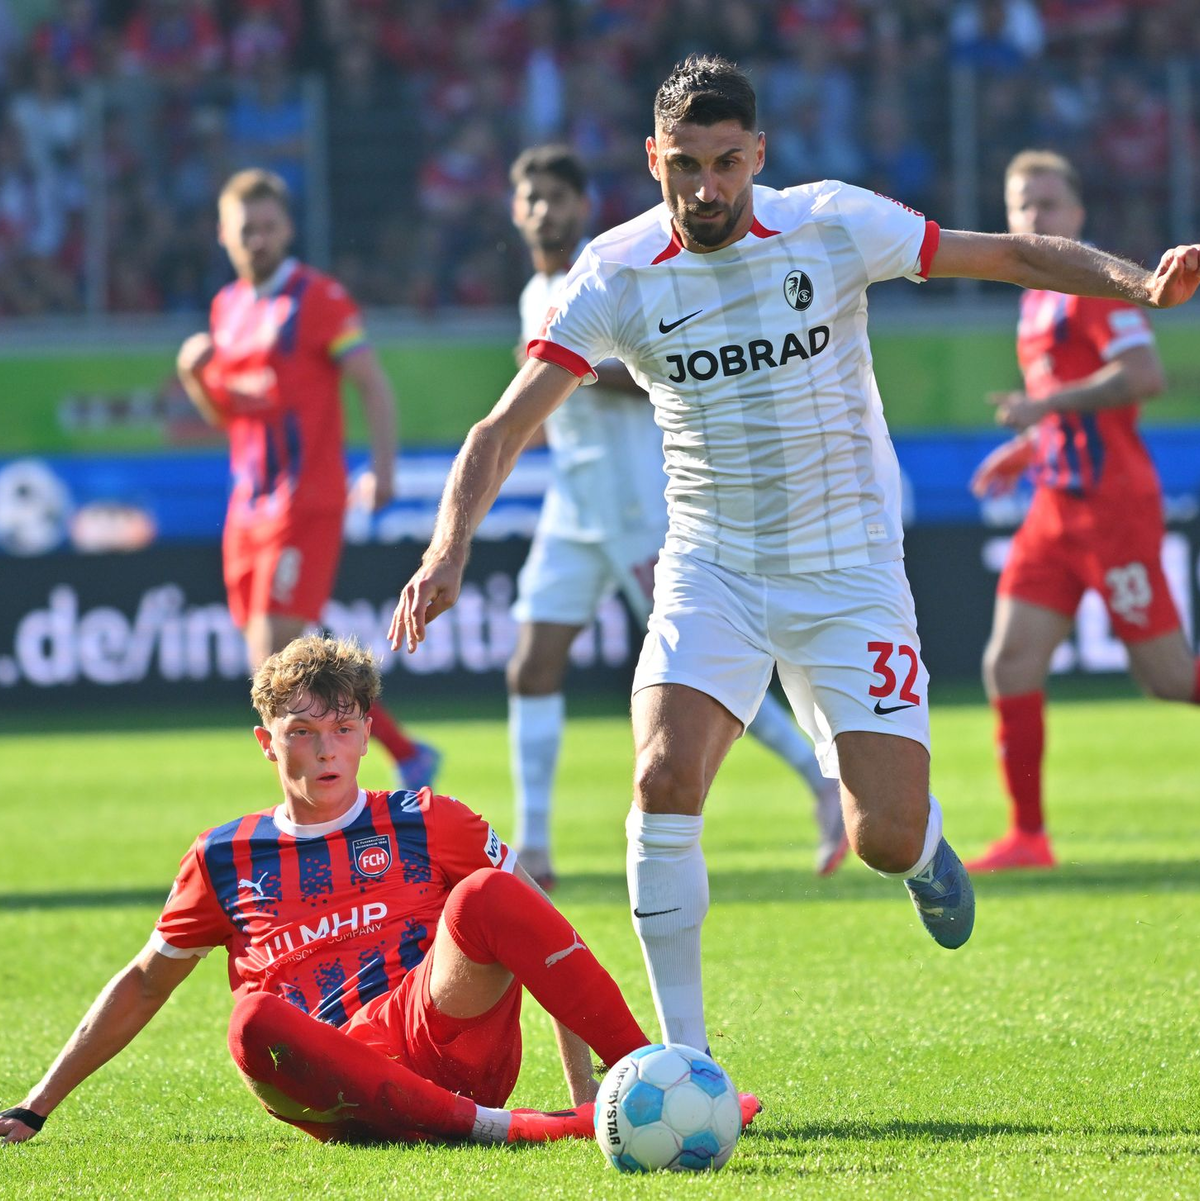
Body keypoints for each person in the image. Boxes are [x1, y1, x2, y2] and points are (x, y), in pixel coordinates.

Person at [389, 55, 1200, 1051]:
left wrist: (1139, 286)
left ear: (758, 154)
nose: (707, 187)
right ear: (653, 158)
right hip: (711, 566)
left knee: (883, 836)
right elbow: (500, 430)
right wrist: (446, 549)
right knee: (659, 779)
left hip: (849, 566)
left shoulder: (830, 222)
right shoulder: (617, 269)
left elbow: (1013, 257)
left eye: (727, 162)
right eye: (686, 164)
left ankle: (925, 842)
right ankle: (685, 1060)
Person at [0, 635, 665, 1147]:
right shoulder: (222, 855)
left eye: (343, 730)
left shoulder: (426, 817)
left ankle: (654, 1081)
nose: (327, 751)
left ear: (368, 734)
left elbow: (539, 933)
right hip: (329, 1088)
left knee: (490, 892)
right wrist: (36, 1102)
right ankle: (504, 1127)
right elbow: (145, 982)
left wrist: (592, 1097)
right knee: (251, 1018)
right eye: (303, 733)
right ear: (267, 742)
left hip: (438, 1038)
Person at [506, 143, 846, 889]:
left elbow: (656, 372)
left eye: (556, 197)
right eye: (530, 198)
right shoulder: (536, 295)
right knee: (530, 665)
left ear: (581, 206)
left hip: (639, 503)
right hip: (575, 503)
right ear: (514, 210)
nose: (543, 211)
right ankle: (532, 847)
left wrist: (579, 376)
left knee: (705, 670)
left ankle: (822, 782)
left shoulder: (614, 275)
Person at [965, 150, 1200, 873]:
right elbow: (1064, 405)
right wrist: (1031, 444)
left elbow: (1143, 376)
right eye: (1022, 205)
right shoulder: (1036, 300)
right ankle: (1029, 836)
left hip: (1112, 508)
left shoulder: (1092, 291)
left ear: (1077, 215)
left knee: (1166, 680)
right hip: (1054, 506)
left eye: (1048, 203)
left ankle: (1030, 834)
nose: (1035, 215)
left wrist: (1045, 408)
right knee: (1009, 663)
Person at [175, 168, 439, 793]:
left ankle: (312, 804)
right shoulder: (228, 307)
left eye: (269, 227)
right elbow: (228, 412)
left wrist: (382, 467)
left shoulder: (316, 298)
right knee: (270, 669)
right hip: (246, 507)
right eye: (247, 229)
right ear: (224, 234)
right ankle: (407, 752)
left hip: (305, 500)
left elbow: (372, 383)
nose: (259, 239)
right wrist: (196, 376)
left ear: (287, 228)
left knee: (275, 659)